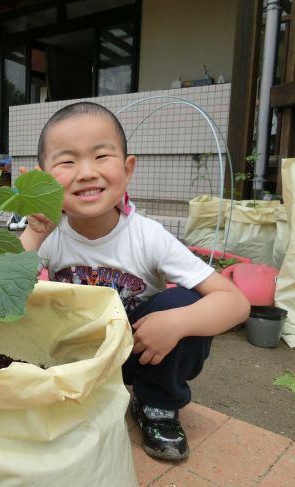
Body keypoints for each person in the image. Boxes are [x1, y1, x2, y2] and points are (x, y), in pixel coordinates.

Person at [20, 102, 250, 461]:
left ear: (128, 170)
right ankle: (66, 394)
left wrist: (177, 322)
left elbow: (236, 302)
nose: (85, 172)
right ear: (43, 178)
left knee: (186, 301)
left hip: (139, 350)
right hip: (73, 352)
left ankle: (156, 404)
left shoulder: (148, 236)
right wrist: (34, 234)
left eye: (101, 156)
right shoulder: (47, 232)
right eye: (67, 162)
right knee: (31, 300)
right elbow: (7, 295)